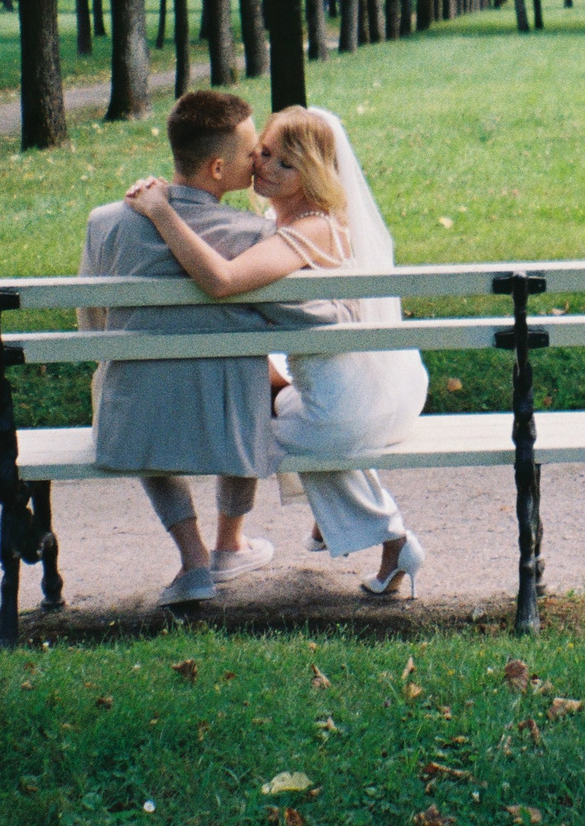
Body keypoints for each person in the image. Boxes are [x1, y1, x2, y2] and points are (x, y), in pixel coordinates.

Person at [124, 105, 430, 598]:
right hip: (361, 389)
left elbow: (222, 281)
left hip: (345, 405)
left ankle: (389, 537)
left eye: (285, 164)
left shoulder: (310, 230)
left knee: (253, 433)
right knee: (283, 412)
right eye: (263, 153)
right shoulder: (297, 220)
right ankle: (342, 525)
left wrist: (162, 211)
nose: (264, 168)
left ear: (311, 175)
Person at [81, 89, 325, 607]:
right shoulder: (254, 234)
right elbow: (296, 321)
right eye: (251, 151)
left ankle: (193, 563)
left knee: (126, 383)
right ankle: (230, 544)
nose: (260, 157)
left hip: (133, 424)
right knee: (250, 376)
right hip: (226, 420)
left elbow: (92, 327)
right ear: (218, 168)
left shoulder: (105, 222)